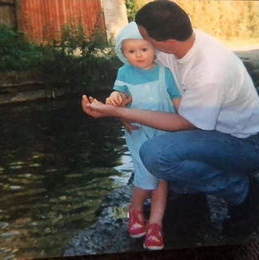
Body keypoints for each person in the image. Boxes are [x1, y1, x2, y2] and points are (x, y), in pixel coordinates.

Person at [82, 0, 259, 237]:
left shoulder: (210, 71)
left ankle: (242, 191)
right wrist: (121, 101)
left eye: (146, 38)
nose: (142, 41)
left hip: (244, 144)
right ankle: (189, 199)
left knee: (156, 154)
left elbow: (185, 124)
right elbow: (139, 75)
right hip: (210, 133)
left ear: (165, 42)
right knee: (162, 145)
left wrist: (121, 113)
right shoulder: (177, 46)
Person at [104, 21, 181, 250]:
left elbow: (178, 101)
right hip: (138, 131)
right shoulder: (124, 72)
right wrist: (114, 99)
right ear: (123, 53)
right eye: (131, 51)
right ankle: (136, 209)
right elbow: (119, 93)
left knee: (161, 177)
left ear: (154, 49)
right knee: (147, 176)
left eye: (143, 49)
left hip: (164, 130)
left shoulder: (164, 73)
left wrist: (190, 120)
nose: (138, 55)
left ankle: (155, 224)